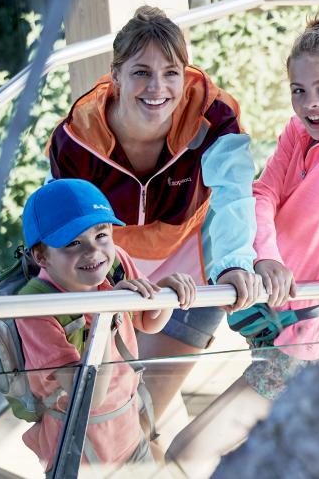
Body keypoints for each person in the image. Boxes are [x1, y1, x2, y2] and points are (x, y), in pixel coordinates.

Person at [167, 11, 319, 477]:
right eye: (299, 90)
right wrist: (266, 257)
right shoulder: (297, 133)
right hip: (271, 325)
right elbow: (263, 193)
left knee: (187, 454)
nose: (310, 104)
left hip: (303, 344)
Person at [46, 6, 262, 420]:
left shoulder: (213, 117)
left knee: (144, 415)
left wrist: (234, 263)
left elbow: (234, 193)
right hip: (115, 265)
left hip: (193, 259)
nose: (157, 87)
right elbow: (66, 228)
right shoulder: (77, 138)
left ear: (185, 74)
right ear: (116, 75)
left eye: (171, 72)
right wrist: (112, 284)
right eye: (141, 72)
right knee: (111, 417)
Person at [15, 179, 197, 472]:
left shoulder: (114, 264)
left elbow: (149, 323)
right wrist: (109, 311)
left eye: (101, 235)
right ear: (41, 257)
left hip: (128, 430)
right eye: (73, 242)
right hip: (81, 454)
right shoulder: (35, 308)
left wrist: (163, 292)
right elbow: (89, 397)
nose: (93, 252)